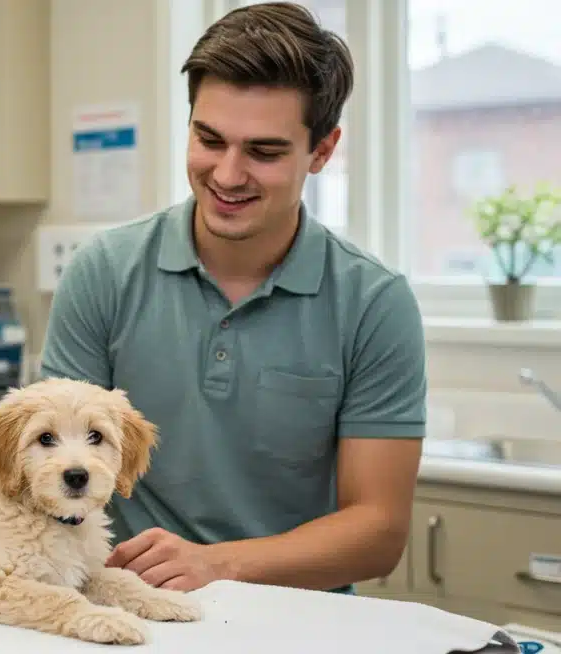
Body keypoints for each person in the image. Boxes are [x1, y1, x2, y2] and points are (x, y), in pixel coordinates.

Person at [40, 1, 427, 595]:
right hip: (128, 604)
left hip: (300, 622)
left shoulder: (375, 303)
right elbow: (50, 473)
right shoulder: (104, 272)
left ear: (322, 151)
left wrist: (218, 564)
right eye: (208, 139)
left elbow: (377, 533)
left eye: (264, 152)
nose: (226, 174)